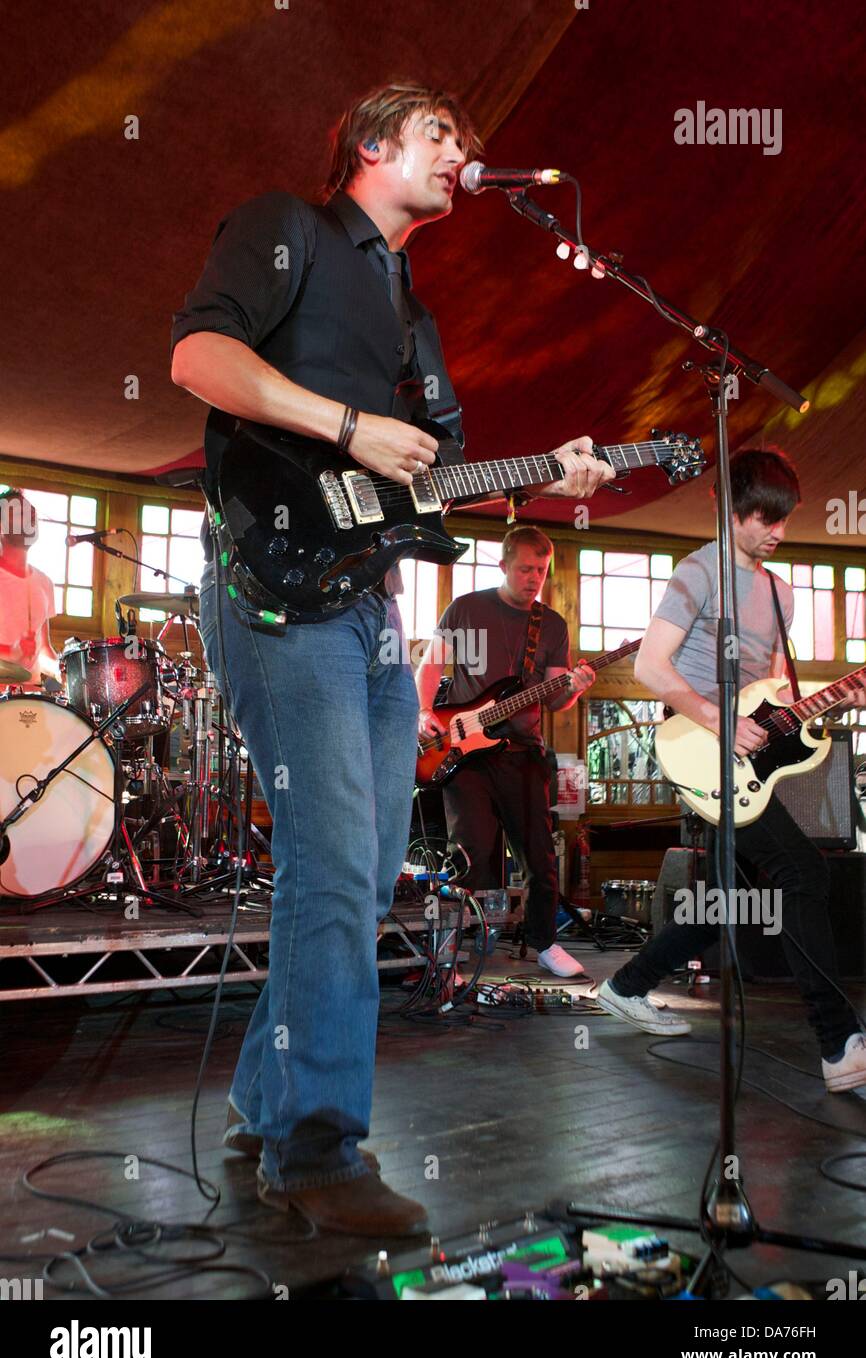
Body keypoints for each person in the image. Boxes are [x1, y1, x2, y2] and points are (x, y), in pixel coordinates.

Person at [171, 81, 615, 1237]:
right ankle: (318, 1153)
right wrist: (343, 425)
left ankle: (267, 1096)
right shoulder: (290, 229)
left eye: (463, 140)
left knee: (365, 878)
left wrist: (544, 474)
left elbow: (425, 485)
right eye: (439, 135)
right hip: (273, 598)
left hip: (369, 613)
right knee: (326, 867)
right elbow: (198, 359)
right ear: (372, 143)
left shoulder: (412, 316)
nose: (461, 154)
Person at [596, 449, 866, 1093]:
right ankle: (839, 1044)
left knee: (726, 899)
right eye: (763, 518)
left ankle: (625, 986)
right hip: (700, 751)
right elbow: (651, 668)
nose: (776, 531)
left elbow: (770, 693)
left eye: (784, 519)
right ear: (731, 509)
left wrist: (839, 692)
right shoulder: (698, 572)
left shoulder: (780, 592)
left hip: (746, 762)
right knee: (800, 873)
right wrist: (719, 721)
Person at [416, 526, 594, 977]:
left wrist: (572, 689)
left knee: (540, 855)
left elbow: (554, 698)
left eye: (542, 570)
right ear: (504, 566)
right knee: (469, 851)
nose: (534, 578)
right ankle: (448, 949)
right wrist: (421, 711)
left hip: (523, 751)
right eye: (525, 569)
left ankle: (545, 944)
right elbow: (431, 662)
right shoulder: (467, 608)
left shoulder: (550, 624)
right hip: (464, 751)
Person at [0, 489, 62, 689]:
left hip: (32, 699)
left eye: (32, 513)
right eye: (20, 513)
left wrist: (62, 673)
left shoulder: (44, 582)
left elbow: (43, 650)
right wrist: (11, 653)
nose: (31, 517)